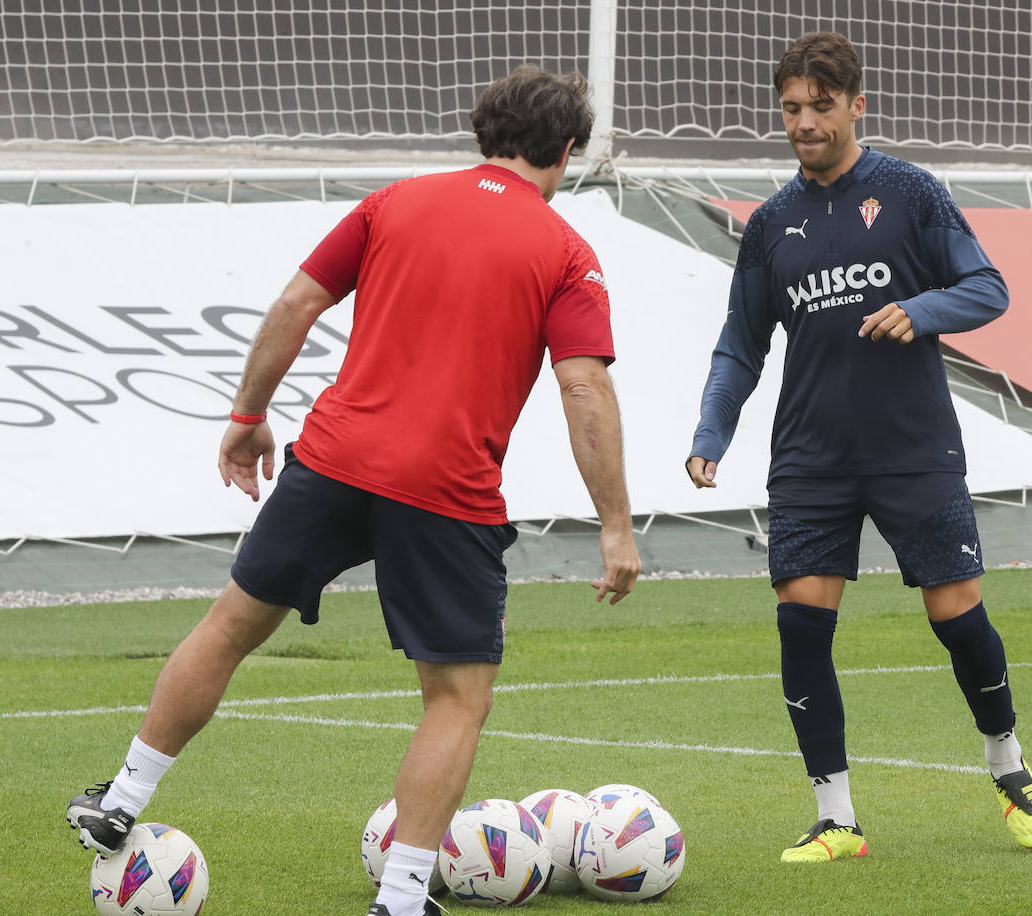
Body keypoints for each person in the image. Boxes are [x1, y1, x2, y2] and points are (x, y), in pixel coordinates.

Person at [66, 65, 642, 916]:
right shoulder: (563, 250)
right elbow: (584, 387)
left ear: (485, 132)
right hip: (445, 491)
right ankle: (404, 897)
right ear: (564, 152)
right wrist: (617, 526)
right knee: (457, 698)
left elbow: (299, 301)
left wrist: (248, 412)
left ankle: (122, 798)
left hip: (333, 461)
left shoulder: (393, 203)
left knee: (228, 626)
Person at [686, 32, 1032, 861]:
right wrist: (713, 431)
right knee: (800, 627)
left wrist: (919, 311)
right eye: (791, 108)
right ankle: (837, 817)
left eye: (820, 106)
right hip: (811, 458)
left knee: (955, 617)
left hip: (914, 449)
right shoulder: (773, 224)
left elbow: (986, 287)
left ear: (858, 104)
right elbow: (741, 344)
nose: (804, 122)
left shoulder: (910, 192)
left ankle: (1008, 762)